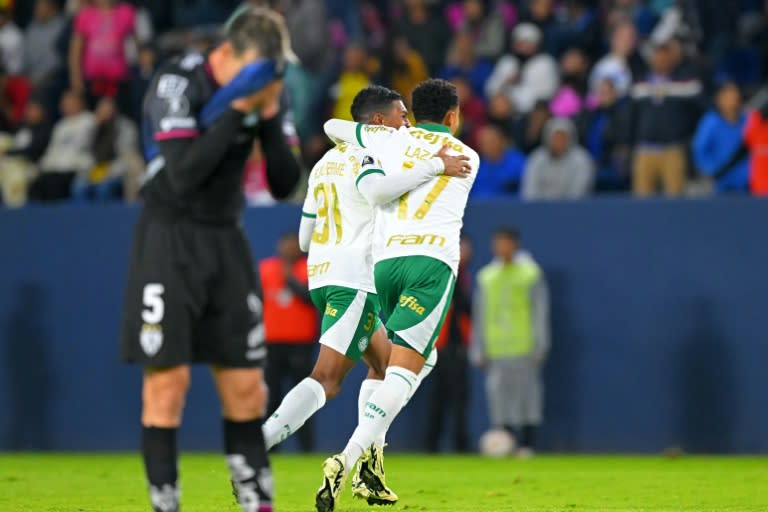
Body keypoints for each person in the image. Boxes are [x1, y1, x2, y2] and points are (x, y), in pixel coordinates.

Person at [119, 8, 302, 512]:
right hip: (169, 240)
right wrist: (239, 107)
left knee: (247, 389)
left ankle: (257, 505)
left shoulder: (266, 89)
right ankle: (166, 505)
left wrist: (266, 118)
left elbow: (285, 182)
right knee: (167, 384)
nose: (268, 80)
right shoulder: (177, 81)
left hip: (226, 238)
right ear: (229, 54)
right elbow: (182, 175)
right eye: (258, 70)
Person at [263, 85, 470, 506]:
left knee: (382, 364)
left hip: (320, 276)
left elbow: (304, 238)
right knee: (328, 378)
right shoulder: (377, 155)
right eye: (400, 116)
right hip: (357, 277)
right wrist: (434, 166)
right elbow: (380, 193)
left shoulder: (323, 163)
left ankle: (370, 471)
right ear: (378, 121)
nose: (406, 123)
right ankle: (256, 446)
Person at [317, 78, 478, 512]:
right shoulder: (466, 156)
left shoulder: (389, 141)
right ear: (452, 117)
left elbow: (334, 126)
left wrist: (378, 135)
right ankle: (347, 461)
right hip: (430, 265)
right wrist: (433, 164)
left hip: (385, 266)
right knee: (405, 369)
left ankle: (371, 466)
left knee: (416, 361)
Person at [470, 226, 550, 458]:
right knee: (498, 395)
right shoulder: (487, 276)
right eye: (497, 243)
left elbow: (540, 310)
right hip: (496, 348)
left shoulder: (530, 274)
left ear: (515, 244)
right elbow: (480, 313)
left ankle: (528, 443)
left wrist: (541, 343)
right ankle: (505, 440)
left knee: (528, 395)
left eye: (505, 242)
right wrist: (478, 347)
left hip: (524, 345)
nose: (501, 247)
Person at [259, 232, 318, 452]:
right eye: (285, 245)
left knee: (302, 398)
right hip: (271, 343)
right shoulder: (266, 268)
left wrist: (289, 279)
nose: (289, 249)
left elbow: (309, 297)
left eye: (293, 245)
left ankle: (306, 449)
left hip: (300, 343)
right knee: (271, 397)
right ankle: (270, 448)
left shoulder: (310, 267)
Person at [629, 38, 704, 197]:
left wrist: (686, 137)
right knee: (640, 203)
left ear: (672, 59)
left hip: (673, 150)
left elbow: (699, 112)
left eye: (665, 56)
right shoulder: (639, 83)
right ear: (652, 59)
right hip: (645, 150)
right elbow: (631, 117)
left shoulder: (686, 82)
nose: (661, 60)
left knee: (675, 202)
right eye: (658, 55)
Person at [425, 234, 473, 453]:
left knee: (458, 399)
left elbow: (465, 308)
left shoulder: (463, 276)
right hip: (441, 346)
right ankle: (433, 444)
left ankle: (457, 443)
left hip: (457, 345)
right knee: (439, 398)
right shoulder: (441, 274)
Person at [69, 0, 136, 113]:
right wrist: (76, 78)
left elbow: (135, 44)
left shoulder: (126, 12)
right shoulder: (85, 15)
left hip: (120, 81)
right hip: (93, 81)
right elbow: (76, 50)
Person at [28, 90, 94, 201]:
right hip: (56, 169)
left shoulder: (90, 121)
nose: (65, 106)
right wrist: (43, 166)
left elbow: (84, 146)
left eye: (69, 102)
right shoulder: (60, 126)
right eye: (64, 103)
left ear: (80, 103)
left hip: (76, 167)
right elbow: (52, 150)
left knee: (54, 185)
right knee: (36, 184)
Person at [71, 96, 140, 202]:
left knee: (104, 188)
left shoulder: (125, 127)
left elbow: (127, 156)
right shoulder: (91, 125)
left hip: (115, 170)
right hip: (92, 169)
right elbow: (79, 149)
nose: (105, 112)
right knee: (78, 187)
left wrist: (107, 172)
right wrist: (93, 126)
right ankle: (81, 217)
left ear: (115, 110)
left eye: (108, 109)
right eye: (102, 109)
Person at [485, 22, 559, 115]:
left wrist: (520, 86)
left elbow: (547, 94)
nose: (523, 48)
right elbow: (490, 89)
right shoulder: (507, 61)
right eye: (519, 44)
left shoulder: (545, 63)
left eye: (527, 44)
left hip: (531, 113)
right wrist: (505, 82)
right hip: (503, 111)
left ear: (536, 45)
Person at [691, 81, 748, 193]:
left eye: (735, 96)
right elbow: (699, 150)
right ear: (719, 99)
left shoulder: (748, 121)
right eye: (728, 96)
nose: (733, 100)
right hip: (722, 183)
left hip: (747, 182)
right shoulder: (711, 122)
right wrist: (713, 170)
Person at [522, 117, 594, 200]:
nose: (558, 141)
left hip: (571, 209)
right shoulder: (537, 158)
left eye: (562, 137)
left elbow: (579, 192)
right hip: (540, 209)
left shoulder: (581, 160)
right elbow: (529, 191)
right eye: (555, 137)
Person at [472, 123, 526, 198]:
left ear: (502, 141)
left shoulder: (517, 161)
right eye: (484, 143)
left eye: (492, 141)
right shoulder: (476, 168)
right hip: (484, 208)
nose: (488, 146)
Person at [22, 0, 66, 89]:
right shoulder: (32, 27)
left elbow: (57, 61)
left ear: (51, 8)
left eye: (40, 7)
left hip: (53, 80)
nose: (36, 10)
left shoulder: (62, 27)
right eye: (36, 7)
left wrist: (42, 79)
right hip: (29, 79)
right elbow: (24, 56)